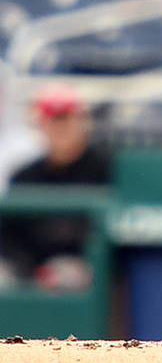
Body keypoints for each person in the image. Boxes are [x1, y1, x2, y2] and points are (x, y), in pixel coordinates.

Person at [0, 88, 111, 290]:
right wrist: (33, 269)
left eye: (66, 120)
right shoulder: (25, 177)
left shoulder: (105, 169)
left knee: (69, 275)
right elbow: (10, 238)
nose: (61, 129)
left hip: (88, 271)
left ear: (81, 122)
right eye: (54, 121)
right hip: (31, 270)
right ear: (41, 126)